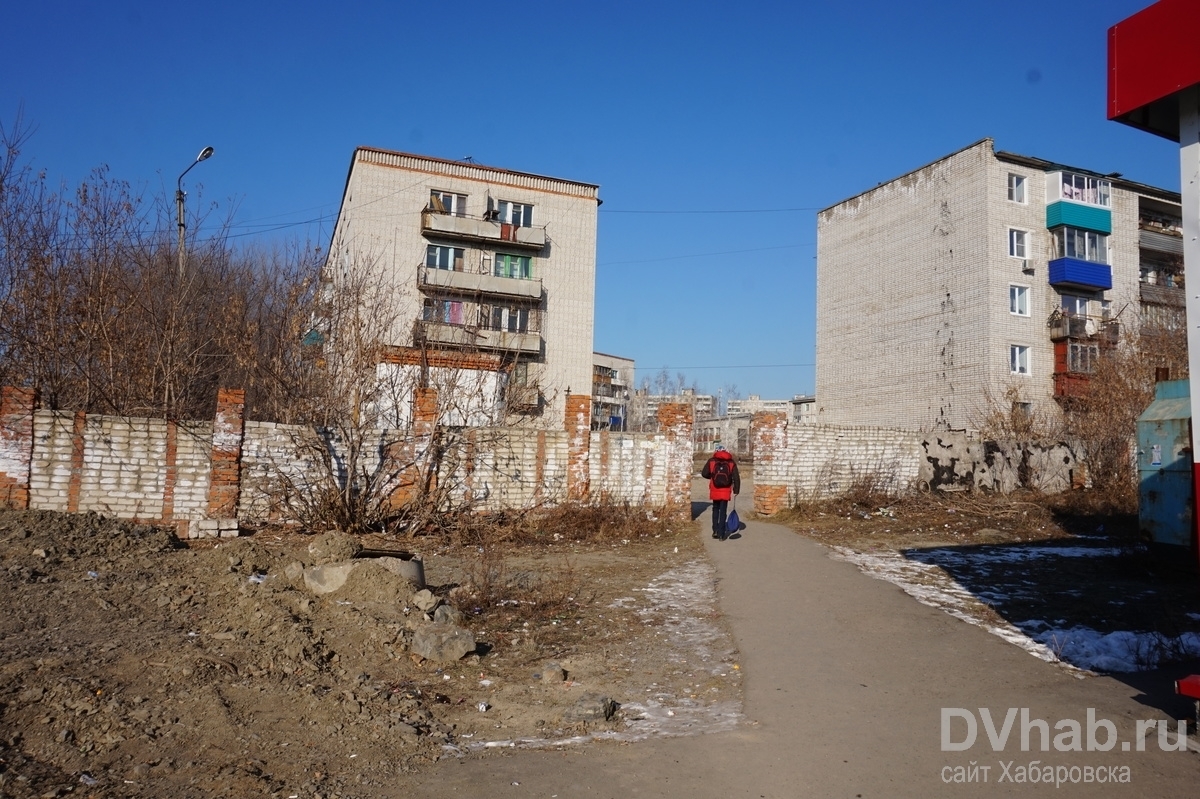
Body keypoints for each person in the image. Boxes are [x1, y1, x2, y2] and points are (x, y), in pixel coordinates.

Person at [701, 444, 740, 540]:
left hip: (715, 488)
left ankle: (715, 530)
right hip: (726, 490)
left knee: (715, 509)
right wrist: (736, 489)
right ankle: (722, 534)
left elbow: (704, 473)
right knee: (723, 511)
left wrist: (713, 477)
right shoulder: (731, 462)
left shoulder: (712, 461)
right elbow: (736, 478)